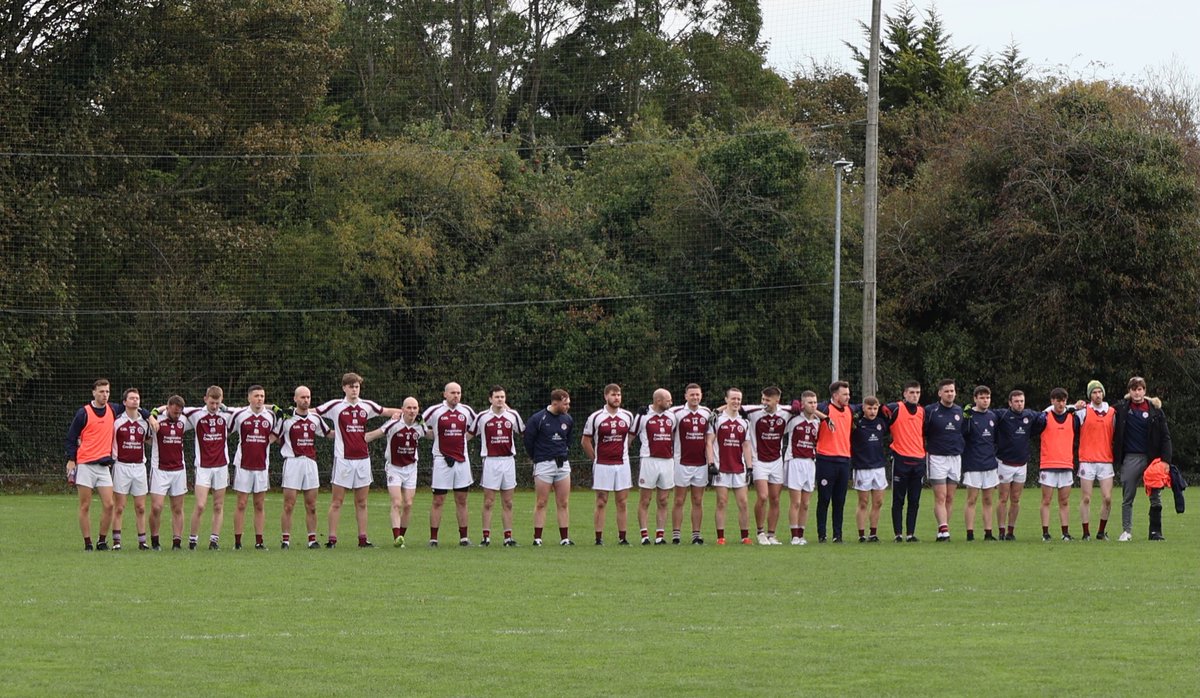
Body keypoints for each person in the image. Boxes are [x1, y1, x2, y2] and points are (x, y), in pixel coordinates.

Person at [317, 372, 397, 548]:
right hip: (343, 459)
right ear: (344, 388)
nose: (354, 390)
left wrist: (406, 411)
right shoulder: (335, 406)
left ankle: (362, 539)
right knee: (337, 501)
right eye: (351, 386)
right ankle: (331, 539)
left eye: (357, 386)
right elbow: (313, 412)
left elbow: (386, 411)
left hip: (363, 459)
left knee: (361, 502)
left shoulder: (366, 406)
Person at [1112, 376, 1173, 542]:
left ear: (1144, 391)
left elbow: (1165, 437)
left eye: (1139, 389)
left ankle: (1155, 532)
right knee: (1128, 497)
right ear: (1129, 391)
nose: (1137, 393)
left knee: (1155, 496)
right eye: (1133, 389)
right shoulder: (1121, 408)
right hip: (1130, 458)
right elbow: (1100, 411)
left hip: (1152, 460)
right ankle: (1126, 531)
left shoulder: (1155, 410)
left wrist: (1166, 461)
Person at [65, 379, 122, 550]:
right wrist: (71, 459)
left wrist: (151, 415)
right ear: (94, 393)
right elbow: (71, 437)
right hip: (85, 465)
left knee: (110, 504)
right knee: (85, 505)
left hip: (104, 466)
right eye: (101, 391)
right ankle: (88, 543)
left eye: (107, 392)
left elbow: (133, 407)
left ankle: (101, 541)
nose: (105, 395)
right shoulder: (83, 413)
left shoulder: (113, 409)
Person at [275, 385, 331, 549]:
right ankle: (285, 540)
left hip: (310, 464)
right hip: (292, 463)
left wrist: (350, 435)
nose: (306, 400)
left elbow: (329, 434)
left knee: (312, 505)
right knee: (289, 504)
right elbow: (274, 436)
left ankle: (312, 540)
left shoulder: (315, 418)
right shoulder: (286, 418)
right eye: (302, 397)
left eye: (308, 397)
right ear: (295, 399)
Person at [422, 381, 477, 547]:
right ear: (444, 394)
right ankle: (433, 539)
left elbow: (476, 426)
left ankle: (464, 538)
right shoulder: (435, 410)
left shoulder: (466, 411)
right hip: (441, 461)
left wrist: (463, 440)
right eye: (452, 392)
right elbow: (418, 420)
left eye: (458, 393)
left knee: (462, 499)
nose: (456, 396)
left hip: (461, 460)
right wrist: (431, 434)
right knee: (438, 499)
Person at [366, 397, 424, 548]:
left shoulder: (420, 425)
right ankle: (397, 537)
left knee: (409, 504)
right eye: (409, 408)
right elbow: (374, 434)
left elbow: (433, 434)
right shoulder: (394, 423)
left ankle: (401, 537)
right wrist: (355, 439)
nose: (412, 411)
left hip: (411, 468)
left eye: (415, 408)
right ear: (402, 409)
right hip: (394, 468)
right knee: (397, 502)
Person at [183, 385, 235, 550]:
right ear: (205, 399)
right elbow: (174, 407)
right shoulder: (195, 414)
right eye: (212, 402)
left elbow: (249, 410)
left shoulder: (226, 414)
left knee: (218, 505)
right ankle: (193, 540)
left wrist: (226, 409)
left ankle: (214, 541)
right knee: (200, 505)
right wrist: (153, 414)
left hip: (221, 466)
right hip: (203, 467)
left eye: (217, 403)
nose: (214, 406)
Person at [583, 384, 635, 545]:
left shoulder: (628, 416)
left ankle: (623, 538)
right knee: (601, 500)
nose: (617, 398)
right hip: (602, 464)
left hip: (622, 464)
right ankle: (598, 538)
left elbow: (631, 436)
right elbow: (585, 441)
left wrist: (624, 452)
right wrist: (595, 459)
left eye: (619, 394)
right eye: (613, 395)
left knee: (622, 501)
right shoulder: (596, 417)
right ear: (606, 396)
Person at [472, 387, 524, 546]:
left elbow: (523, 432)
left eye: (502, 397)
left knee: (508, 502)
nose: (500, 399)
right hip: (491, 461)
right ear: (490, 399)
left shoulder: (513, 415)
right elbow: (469, 433)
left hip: (508, 461)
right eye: (497, 397)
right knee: (488, 501)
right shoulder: (482, 417)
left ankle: (508, 537)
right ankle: (485, 537)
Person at [524, 389, 575, 546]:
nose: (568, 407)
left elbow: (568, 440)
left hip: (563, 465)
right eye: (565, 404)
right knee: (541, 502)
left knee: (563, 502)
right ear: (555, 403)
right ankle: (537, 538)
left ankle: (564, 539)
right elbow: (528, 441)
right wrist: (538, 458)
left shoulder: (568, 419)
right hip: (543, 464)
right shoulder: (538, 418)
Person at [230, 385, 278, 550]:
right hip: (243, 465)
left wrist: (266, 441)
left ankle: (259, 541)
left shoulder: (271, 416)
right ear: (249, 398)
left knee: (259, 504)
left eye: (262, 396)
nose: (260, 399)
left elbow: (277, 432)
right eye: (256, 396)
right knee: (241, 503)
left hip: (262, 465)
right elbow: (227, 430)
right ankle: (237, 542)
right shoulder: (240, 415)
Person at [707, 387, 755, 545]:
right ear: (726, 400)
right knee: (722, 502)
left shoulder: (744, 422)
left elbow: (746, 446)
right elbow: (709, 442)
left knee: (744, 502)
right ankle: (720, 537)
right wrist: (711, 464)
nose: (736, 402)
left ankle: (745, 536)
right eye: (733, 398)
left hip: (739, 468)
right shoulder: (717, 420)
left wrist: (750, 467)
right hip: (722, 467)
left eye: (739, 399)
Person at [743, 386, 791, 545]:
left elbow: (807, 407)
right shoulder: (754, 411)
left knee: (775, 499)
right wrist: (716, 410)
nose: (764, 403)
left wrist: (824, 418)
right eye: (763, 399)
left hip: (776, 461)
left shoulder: (786, 412)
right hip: (758, 461)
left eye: (767, 400)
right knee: (762, 497)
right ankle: (760, 532)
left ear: (777, 400)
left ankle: (772, 534)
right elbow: (733, 405)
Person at [1033, 388, 1080, 541]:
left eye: (1063, 401)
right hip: (1048, 464)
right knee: (1046, 500)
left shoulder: (1073, 418)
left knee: (1064, 501)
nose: (1061, 404)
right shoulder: (1044, 418)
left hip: (1066, 464)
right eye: (1058, 400)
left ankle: (1065, 533)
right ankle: (1045, 533)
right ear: (1052, 401)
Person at [993, 390, 1039, 540]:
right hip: (1004, 463)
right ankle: (1001, 531)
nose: (1020, 404)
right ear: (1010, 403)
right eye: (1016, 401)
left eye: (1022, 401)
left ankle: (1010, 532)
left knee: (1016, 498)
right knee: (1003, 498)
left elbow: (1046, 415)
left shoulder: (1029, 415)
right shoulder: (1002, 415)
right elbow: (985, 414)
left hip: (1021, 464)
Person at [632, 388, 676, 545]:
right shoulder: (643, 416)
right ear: (658, 401)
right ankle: (644, 536)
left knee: (663, 499)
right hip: (649, 460)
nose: (671, 403)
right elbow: (630, 436)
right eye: (668, 400)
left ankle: (660, 536)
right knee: (645, 499)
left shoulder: (672, 416)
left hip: (667, 462)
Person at [111, 387, 153, 550]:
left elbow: (149, 440)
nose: (135, 400)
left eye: (137, 398)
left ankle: (142, 541)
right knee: (119, 506)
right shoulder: (117, 422)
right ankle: (116, 542)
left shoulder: (145, 422)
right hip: (122, 466)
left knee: (141, 507)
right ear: (124, 402)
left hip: (139, 467)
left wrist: (151, 417)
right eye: (132, 398)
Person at [670, 384, 711, 545]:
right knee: (679, 500)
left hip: (701, 463)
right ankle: (676, 535)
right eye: (692, 395)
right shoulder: (676, 412)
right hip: (681, 462)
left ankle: (696, 535)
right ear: (685, 396)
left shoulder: (706, 412)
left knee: (698, 500)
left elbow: (723, 411)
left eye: (697, 395)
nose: (695, 397)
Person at [883, 381, 925, 542]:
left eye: (918, 392)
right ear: (905, 394)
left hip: (919, 461)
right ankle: (898, 534)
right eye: (912, 392)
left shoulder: (922, 412)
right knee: (898, 499)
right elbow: (879, 411)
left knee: (914, 500)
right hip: (901, 460)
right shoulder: (895, 408)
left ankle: (910, 533)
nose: (915, 395)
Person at [148, 395, 190, 550]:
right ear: (168, 408)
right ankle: (155, 541)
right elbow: (146, 416)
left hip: (179, 470)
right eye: (174, 412)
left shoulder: (184, 420)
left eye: (179, 413)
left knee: (178, 508)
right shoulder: (156, 420)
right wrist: (155, 412)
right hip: (160, 470)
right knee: (157, 507)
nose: (177, 415)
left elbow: (199, 411)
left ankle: (177, 543)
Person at [815, 380, 855, 543]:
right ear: (835, 395)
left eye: (848, 393)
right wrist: (824, 418)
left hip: (844, 460)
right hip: (826, 460)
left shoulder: (850, 410)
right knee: (824, 499)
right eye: (844, 394)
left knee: (840, 500)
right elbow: (801, 405)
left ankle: (837, 535)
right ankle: (822, 535)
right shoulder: (824, 408)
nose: (848, 397)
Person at [925, 379, 964, 542]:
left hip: (955, 457)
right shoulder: (931, 410)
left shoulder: (960, 411)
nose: (950, 394)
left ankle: (942, 529)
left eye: (952, 391)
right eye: (946, 391)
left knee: (950, 497)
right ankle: (944, 529)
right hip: (937, 457)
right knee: (940, 496)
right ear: (940, 393)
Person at [1075, 380, 1115, 540]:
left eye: (1099, 392)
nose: (1097, 395)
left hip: (1105, 461)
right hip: (1087, 460)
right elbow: (1062, 411)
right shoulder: (1083, 411)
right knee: (1086, 497)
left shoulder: (1112, 412)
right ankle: (1086, 533)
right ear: (1089, 395)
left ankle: (1101, 532)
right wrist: (1076, 405)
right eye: (1094, 392)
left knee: (1107, 498)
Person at [961, 386, 1000, 541]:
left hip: (989, 463)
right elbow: (962, 434)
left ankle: (988, 533)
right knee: (972, 499)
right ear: (975, 398)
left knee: (988, 500)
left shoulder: (992, 416)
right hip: (973, 464)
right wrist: (965, 419)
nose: (985, 400)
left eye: (988, 397)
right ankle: (970, 534)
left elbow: (996, 439)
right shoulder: (969, 416)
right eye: (982, 397)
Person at [850, 397, 889, 543]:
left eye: (875, 408)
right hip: (862, 467)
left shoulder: (881, 423)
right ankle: (861, 534)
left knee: (878, 502)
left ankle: (873, 533)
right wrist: (859, 409)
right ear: (864, 408)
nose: (872, 411)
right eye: (869, 408)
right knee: (863, 502)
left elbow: (889, 415)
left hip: (879, 467)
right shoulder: (856, 424)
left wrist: (883, 405)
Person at [784, 391, 821, 545]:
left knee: (806, 503)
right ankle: (794, 536)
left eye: (814, 402)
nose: (813, 405)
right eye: (809, 402)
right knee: (796, 502)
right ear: (802, 404)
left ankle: (801, 534)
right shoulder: (793, 420)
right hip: (795, 462)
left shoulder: (817, 422)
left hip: (810, 463)